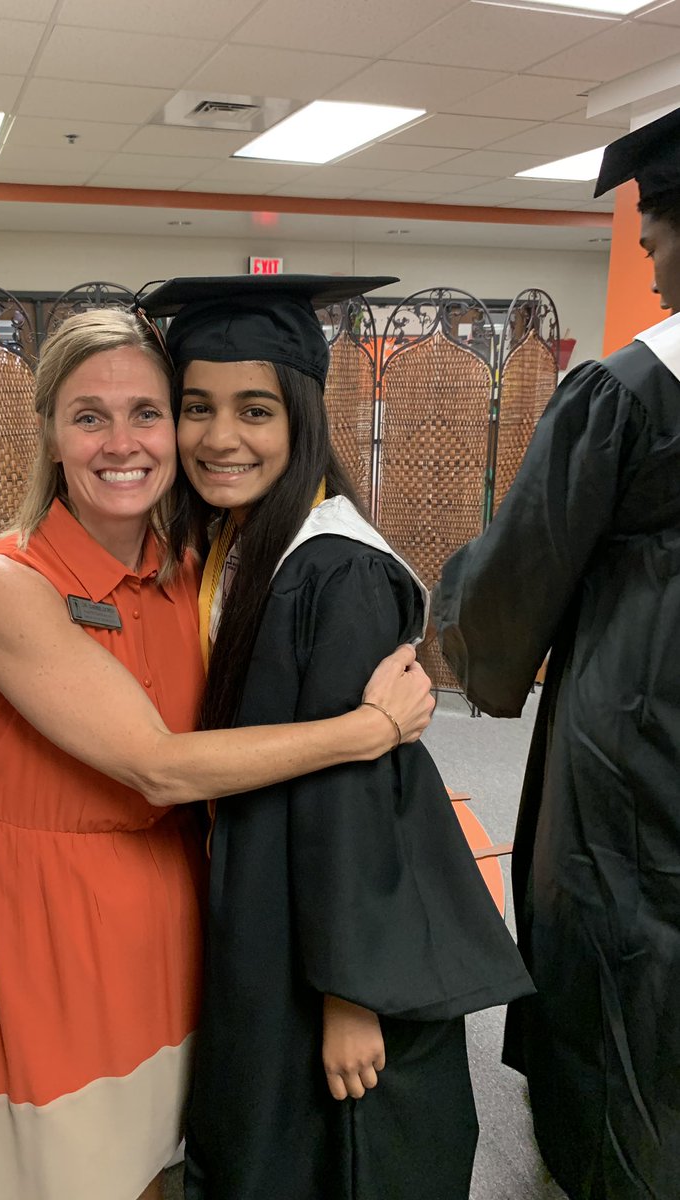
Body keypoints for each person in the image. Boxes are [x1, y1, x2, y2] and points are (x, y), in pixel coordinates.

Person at [0, 306, 436, 1200]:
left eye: (149, 412)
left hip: (187, 912)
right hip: (51, 931)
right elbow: (159, 764)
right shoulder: (4, 585)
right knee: (66, 1169)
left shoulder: (195, 567)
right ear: (50, 432)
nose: (121, 441)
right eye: (89, 415)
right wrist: (372, 728)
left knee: (169, 1159)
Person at [136, 275, 533, 1200]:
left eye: (254, 409)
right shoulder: (243, 540)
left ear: (303, 417)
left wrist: (353, 994)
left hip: (322, 918)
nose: (218, 436)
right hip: (268, 884)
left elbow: (357, 794)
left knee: (319, 1143)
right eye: (197, 407)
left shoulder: (337, 571)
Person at [432, 108, 680, 1200]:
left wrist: (456, 626)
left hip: (644, 708)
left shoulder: (633, 387)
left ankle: (617, 1160)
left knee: (620, 925)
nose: (650, 258)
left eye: (656, 233)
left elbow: (524, 567)